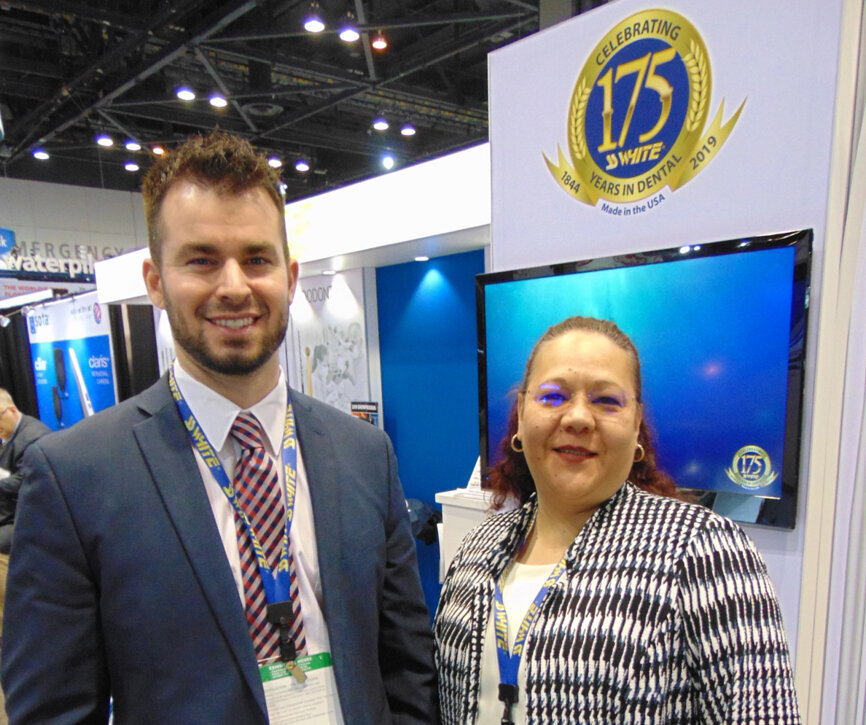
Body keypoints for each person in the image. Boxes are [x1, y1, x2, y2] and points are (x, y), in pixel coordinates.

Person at [2, 131, 437, 724]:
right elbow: (52, 710)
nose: (234, 286)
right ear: (155, 281)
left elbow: (406, 664)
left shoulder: (364, 453)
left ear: (289, 275)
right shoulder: (74, 477)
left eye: (257, 258)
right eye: (201, 259)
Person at [434, 316, 800, 724]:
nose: (577, 417)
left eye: (606, 400)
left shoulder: (705, 550)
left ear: (636, 426)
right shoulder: (477, 547)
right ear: (521, 414)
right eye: (553, 396)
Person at [0, 389, 51, 555]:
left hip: (26, 517)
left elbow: (24, 480)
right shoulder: (8, 431)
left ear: (13, 410)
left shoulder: (34, 438)